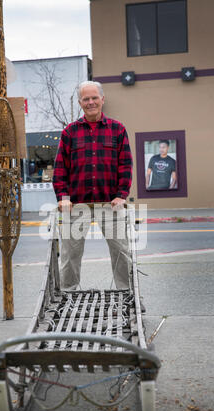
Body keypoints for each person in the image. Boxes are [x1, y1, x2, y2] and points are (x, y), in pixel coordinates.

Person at [52, 80, 133, 290]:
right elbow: (60, 168)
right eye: (86, 99)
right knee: (70, 254)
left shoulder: (117, 129)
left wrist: (122, 195)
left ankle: (127, 294)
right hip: (76, 205)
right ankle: (68, 295)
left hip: (110, 203)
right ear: (80, 102)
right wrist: (64, 198)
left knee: (121, 252)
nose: (91, 102)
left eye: (94, 98)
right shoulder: (70, 132)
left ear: (102, 99)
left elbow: (125, 164)